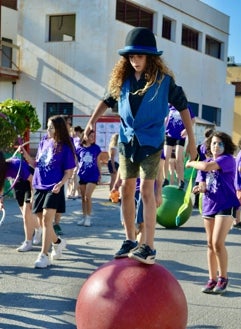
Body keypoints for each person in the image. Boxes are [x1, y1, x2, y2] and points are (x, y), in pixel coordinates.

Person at [83, 27, 197, 265]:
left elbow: (184, 106)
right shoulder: (121, 81)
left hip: (152, 142)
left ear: (150, 58)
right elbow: (105, 102)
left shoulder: (164, 82)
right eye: (131, 57)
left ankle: (149, 246)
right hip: (127, 142)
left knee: (146, 191)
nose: (135, 61)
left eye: (140, 56)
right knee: (125, 189)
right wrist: (91, 123)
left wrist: (191, 140)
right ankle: (129, 240)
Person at [186, 131, 240, 294]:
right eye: (214, 143)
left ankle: (223, 277)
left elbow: (206, 167)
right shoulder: (206, 161)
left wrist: (190, 163)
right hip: (209, 205)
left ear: (226, 146)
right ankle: (212, 279)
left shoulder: (227, 160)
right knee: (210, 244)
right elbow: (202, 181)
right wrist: (199, 188)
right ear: (209, 145)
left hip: (226, 205)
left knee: (217, 243)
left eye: (220, 143)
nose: (216, 146)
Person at [21, 115, 76, 268]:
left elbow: (69, 171)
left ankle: (43, 255)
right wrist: (25, 154)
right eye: (48, 126)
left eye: (51, 127)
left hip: (54, 187)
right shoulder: (43, 143)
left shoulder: (65, 147)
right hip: (39, 185)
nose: (48, 129)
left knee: (46, 220)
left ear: (58, 129)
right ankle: (58, 242)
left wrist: (61, 183)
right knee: (40, 218)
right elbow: (35, 163)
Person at [0, 152, 41, 251]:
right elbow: (0, 187)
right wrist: (1, 202)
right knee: (26, 216)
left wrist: (32, 198)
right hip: (17, 185)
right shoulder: (1, 171)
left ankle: (28, 242)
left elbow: (32, 180)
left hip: (29, 183)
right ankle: (39, 229)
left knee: (26, 216)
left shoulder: (15, 165)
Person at [163, 104, 195, 190]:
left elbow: (192, 120)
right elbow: (164, 118)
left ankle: (181, 181)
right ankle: (165, 179)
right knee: (166, 157)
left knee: (179, 158)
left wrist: (186, 130)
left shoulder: (186, 106)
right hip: (168, 135)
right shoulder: (169, 106)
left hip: (180, 136)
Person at [76, 130, 102, 227]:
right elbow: (78, 161)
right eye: (90, 136)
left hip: (93, 175)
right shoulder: (79, 148)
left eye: (93, 136)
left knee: (87, 196)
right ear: (85, 137)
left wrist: (100, 174)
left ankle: (88, 217)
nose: (92, 138)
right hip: (82, 175)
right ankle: (84, 216)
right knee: (83, 198)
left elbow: (98, 162)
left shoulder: (96, 148)